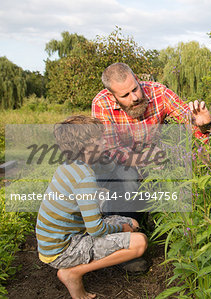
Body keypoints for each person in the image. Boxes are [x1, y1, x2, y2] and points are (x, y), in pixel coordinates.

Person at [36, 115, 148, 299]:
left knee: (133, 222)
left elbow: (109, 168)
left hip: (52, 242)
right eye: (100, 138)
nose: (105, 141)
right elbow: (95, 229)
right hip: (62, 250)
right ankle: (72, 273)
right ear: (86, 145)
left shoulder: (71, 164)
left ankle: (78, 265)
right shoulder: (84, 176)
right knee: (139, 242)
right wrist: (120, 227)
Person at [91, 62, 211, 218]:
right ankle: (120, 227)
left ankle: (160, 221)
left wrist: (204, 125)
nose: (134, 98)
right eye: (125, 96)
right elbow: (110, 151)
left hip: (153, 156)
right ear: (111, 95)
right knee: (127, 180)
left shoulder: (159, 93)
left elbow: (191, 123)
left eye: (135, 89)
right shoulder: (101, 104)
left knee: (174, 173)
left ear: (136, 79)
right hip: (119, 162)